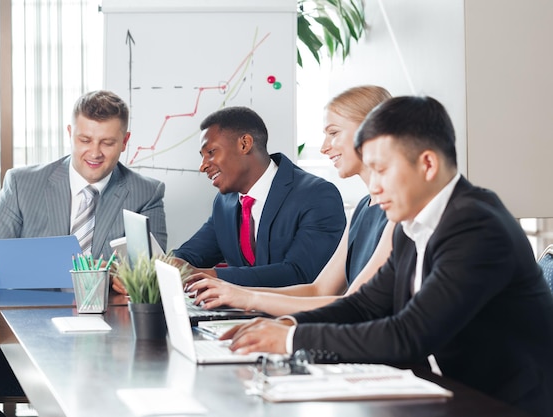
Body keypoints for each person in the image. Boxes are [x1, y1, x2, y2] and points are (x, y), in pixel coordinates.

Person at [220, 95, 553, 417]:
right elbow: (365, 305)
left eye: (381, 170)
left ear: (427, 164)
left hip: (504, 404)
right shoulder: (412, 224)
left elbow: (408, 334)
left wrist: (291, 339)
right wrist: (287, 324)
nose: (374, 186)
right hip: (450, 392)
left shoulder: (476, 225)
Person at [0, 90, 168, 417]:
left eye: (107, 143)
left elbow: (151, 275)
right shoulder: (24, 184)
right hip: (20, 341)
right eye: (85, 139)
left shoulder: (146, 192)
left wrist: (127, 280)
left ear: (125, 141)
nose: (94, 152)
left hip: (107, 349)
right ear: (70, 134)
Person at [185, 86, 395, 316]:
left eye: (333, 133)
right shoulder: (362, 211)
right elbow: (319, 290)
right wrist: (244, 299)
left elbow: (352, 304)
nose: (324, 148)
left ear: (374, 130)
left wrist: (245, 298)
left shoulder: (396, 214)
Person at [171, 106, 345, 287]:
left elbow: (301, 274)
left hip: (293, 314)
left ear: (244, 144)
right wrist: (167, 265)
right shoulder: (225, 202)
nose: (203, 166)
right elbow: (191, 255)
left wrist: (208, 276)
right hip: (242, 312)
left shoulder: (317, 195)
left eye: (211, 153)